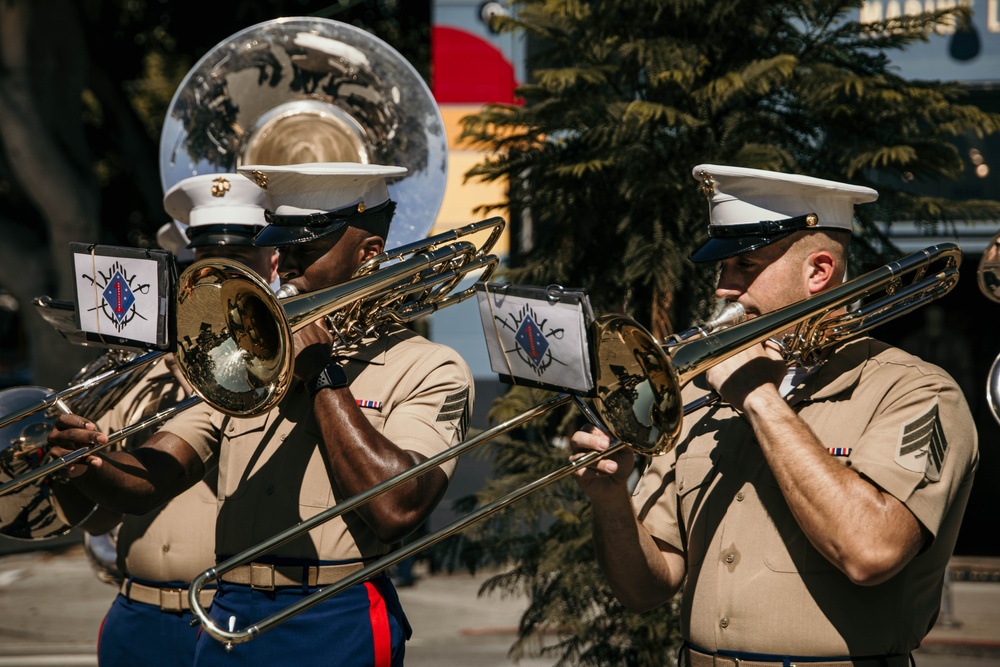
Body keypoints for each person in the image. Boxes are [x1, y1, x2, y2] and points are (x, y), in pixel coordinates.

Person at [48, 162, 474, 667]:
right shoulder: (249, 359)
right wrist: (93, 465)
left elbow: (396, 509)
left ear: (368, 254)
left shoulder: (427, 365)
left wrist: (321, 375)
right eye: (283, 250)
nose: (286, 267)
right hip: (228, 613)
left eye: (307, 252)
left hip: (334, 614)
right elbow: (157, 475)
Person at [570, 164, 978, 667]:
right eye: (721, 269)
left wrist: (761, 400)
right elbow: (646, 589)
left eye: (744, 266)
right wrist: (611, 502)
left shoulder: (913, 390)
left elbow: (871, 553)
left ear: (818, 272)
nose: (723, 288)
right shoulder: (701, 389)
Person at [81, 173, 280, 667]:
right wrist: (87, 462)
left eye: (239, 263)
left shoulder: (284, 371)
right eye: (206, 264)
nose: (218, 279)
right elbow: (100, 517)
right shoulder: (144, 373)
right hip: (139, 612)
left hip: (233, 616)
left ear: (272, 264)